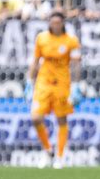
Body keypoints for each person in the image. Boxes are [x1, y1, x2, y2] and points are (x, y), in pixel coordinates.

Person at [25, 11, 82, 169]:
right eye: (52, 22)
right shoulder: (41, 38)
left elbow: (76, 64)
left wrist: (77, 85)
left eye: (58, 22)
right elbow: (35, 61)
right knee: (36, 118)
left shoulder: (71, 41)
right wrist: (30, 82)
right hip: (43, 83)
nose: (55, 25)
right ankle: (48, 150)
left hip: (62, 84)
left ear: (63, 23)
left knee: (61, 119)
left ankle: (60, 156)